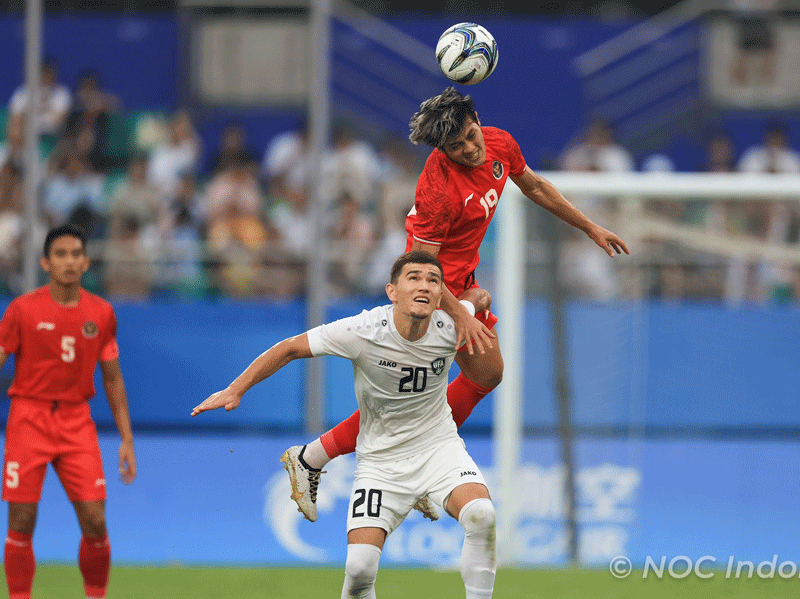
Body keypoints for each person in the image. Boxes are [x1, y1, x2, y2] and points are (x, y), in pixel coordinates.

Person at [282, 86, 629, 523]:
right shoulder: (437, 186)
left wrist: (590, 227)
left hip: (462, 285)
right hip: (426, 294)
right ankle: (373, 465)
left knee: (486, 374)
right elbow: (421, 265)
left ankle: (315, 458)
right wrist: (460, 310)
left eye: (470, 135)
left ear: (477, 120)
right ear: (442, 151)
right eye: (456, 145)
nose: (468, 148)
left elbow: (535, 187)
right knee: (418, 400)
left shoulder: (501, 143)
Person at [192, 250, 497, 599]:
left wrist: (478, 302)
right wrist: (235, 389)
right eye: (413, 278)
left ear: (442, 294)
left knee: (481, 515)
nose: (423, 286)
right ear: (391, 291)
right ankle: (311, 458)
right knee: (359, 570)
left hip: (439, 449)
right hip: (380, 462)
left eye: (432, 280)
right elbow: (290, 348)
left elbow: (476, 299)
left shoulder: (451, 327)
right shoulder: (363, 329)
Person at [0, 224, 137, 599]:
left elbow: (112, 379)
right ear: (46, 262)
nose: (69, 261)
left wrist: (126, 438)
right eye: (60, 254)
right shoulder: (22, 310)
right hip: (29, 417)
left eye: (76, 254)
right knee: (21, 520)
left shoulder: (101, 313)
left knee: (95, 521)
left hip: (77, 420)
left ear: (86, 262)